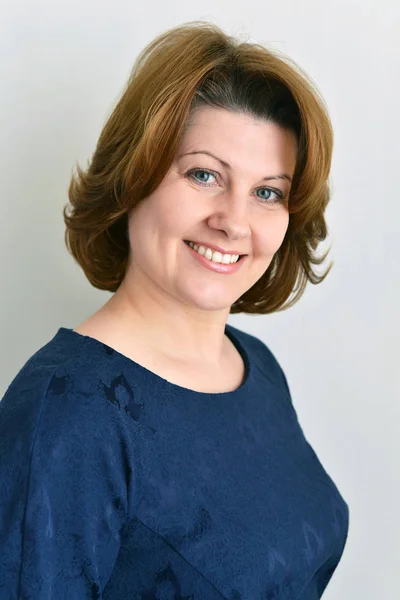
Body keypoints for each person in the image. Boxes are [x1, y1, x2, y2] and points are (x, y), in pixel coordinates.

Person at [0, 20, 349, 599]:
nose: (234, 221)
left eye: (268, 192)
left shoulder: (255, 365)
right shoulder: (69, 414)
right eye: (204, 174)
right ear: (132, 178)